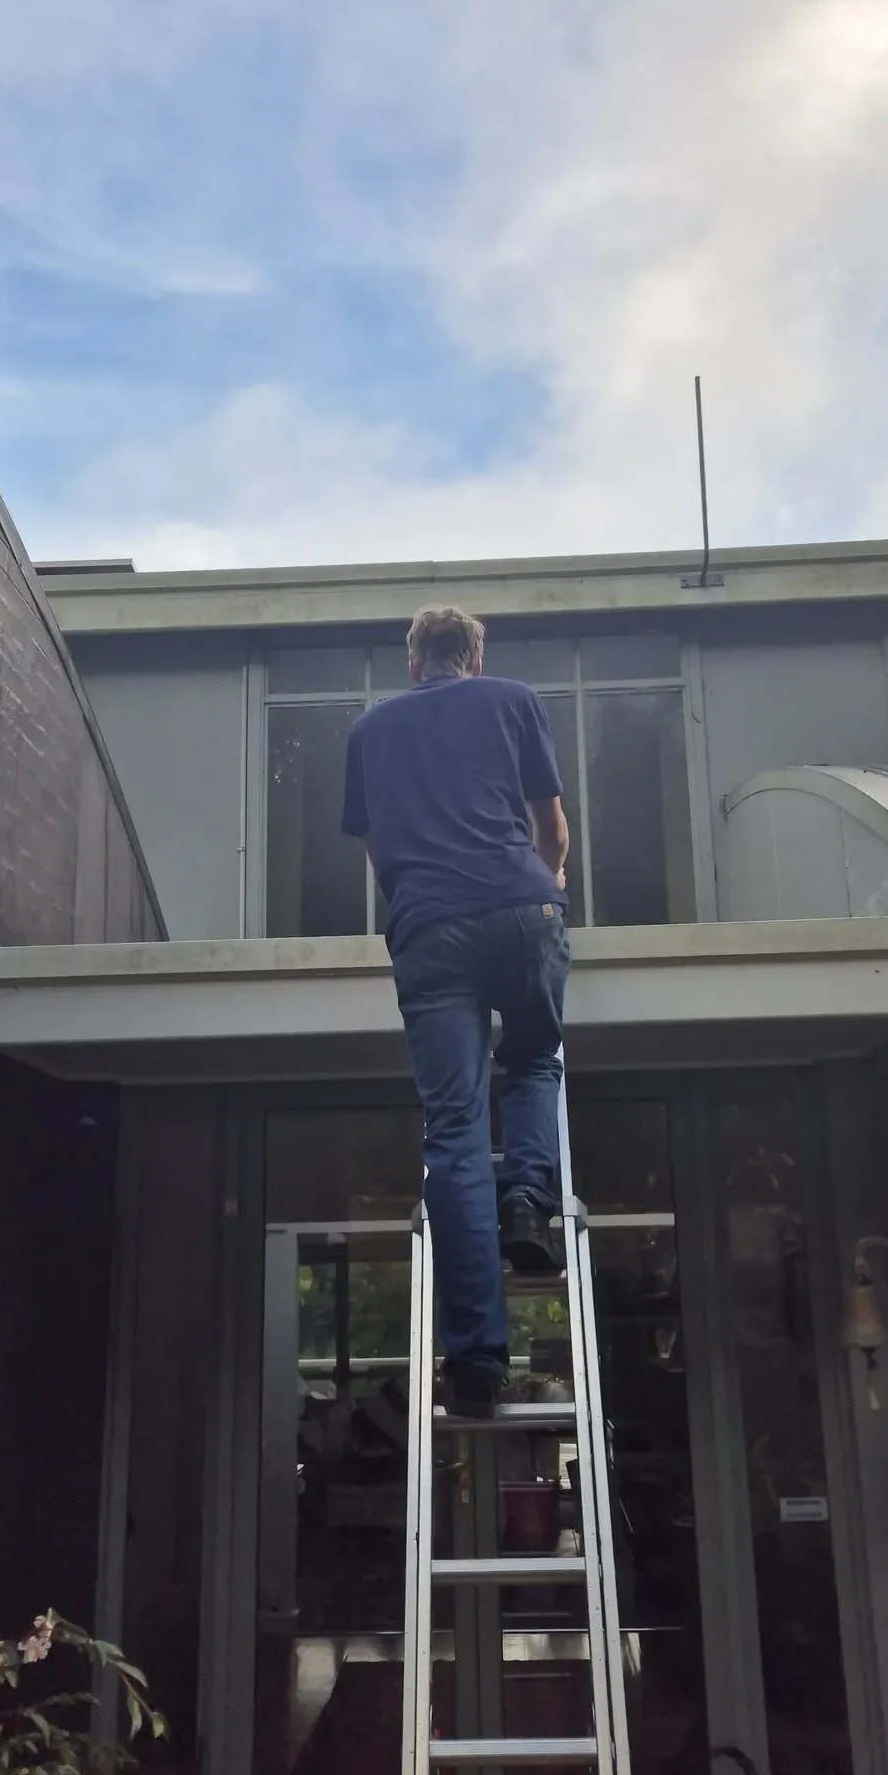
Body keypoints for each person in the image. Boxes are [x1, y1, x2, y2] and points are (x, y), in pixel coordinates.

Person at [341, 603, 570, 1420]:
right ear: (474, 657)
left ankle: (475, 1362)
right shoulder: (512, 700)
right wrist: (547, 885)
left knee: (455, 1131)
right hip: (520, 908)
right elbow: (551, 829)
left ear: (413, 663)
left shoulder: (369, 731)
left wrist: (424, 901)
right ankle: (528, 1197)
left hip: (428, 927)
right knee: (533, 1056)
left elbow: (379, 855)